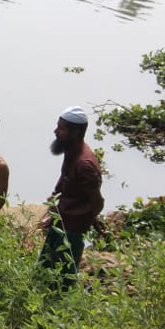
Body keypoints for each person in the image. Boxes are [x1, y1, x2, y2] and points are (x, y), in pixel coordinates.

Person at [38, 106, 104, 289]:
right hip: (61, 222)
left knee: (63, 278)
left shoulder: (85, 164)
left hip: (72, 230)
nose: (56, 132)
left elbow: (98, 202)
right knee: (44, 269)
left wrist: (87, 218)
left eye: (61, 128)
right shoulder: (71, 151)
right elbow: (67, 183)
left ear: (75, 132)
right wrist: (54, 208)